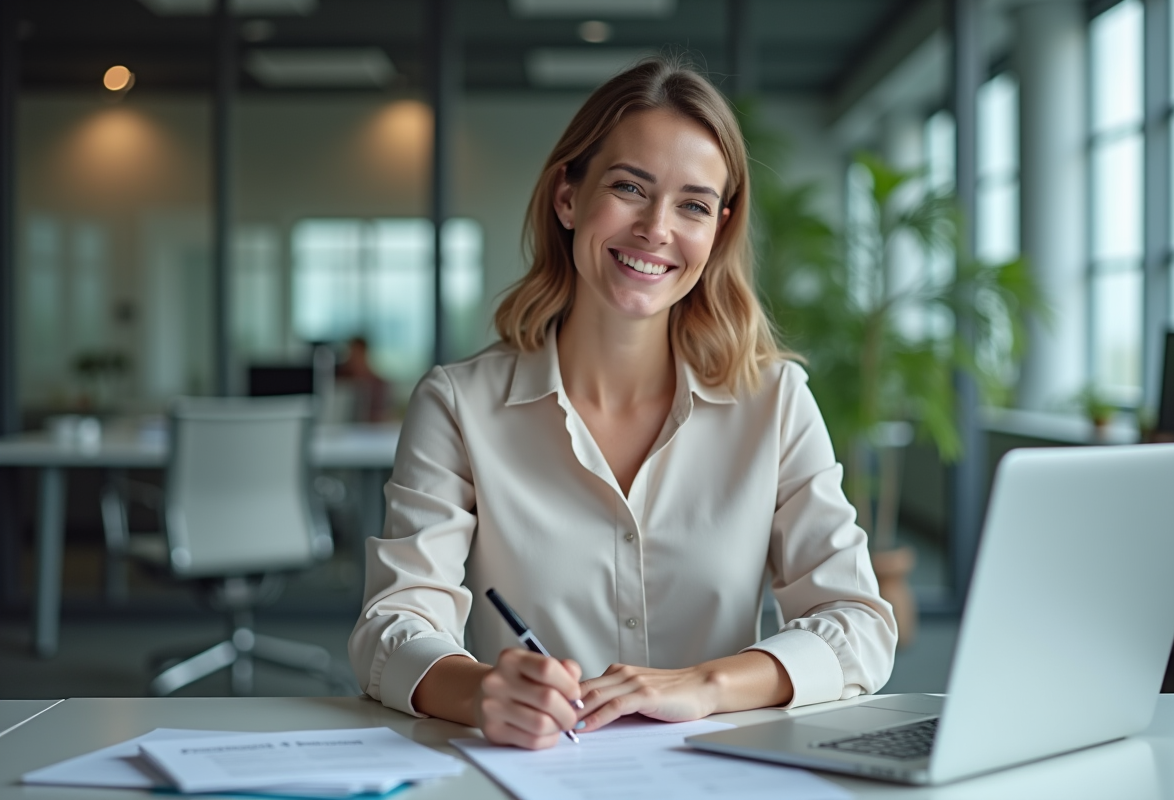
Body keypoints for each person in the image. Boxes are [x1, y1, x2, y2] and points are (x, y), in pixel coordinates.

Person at [348, 57, 897, 750]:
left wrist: (708, 684)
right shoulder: (458, 405)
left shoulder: (775, 402)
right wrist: (481, 692)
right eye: (630, 188)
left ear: (718, 230)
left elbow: (859, 624)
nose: (656, 228)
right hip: (534, 774)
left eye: (693, 205)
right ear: (568, 197)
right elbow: (393, 625)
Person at [335, 336, 391, 423]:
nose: (353, 359)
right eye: (351, 354)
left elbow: (383, 416)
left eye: (357, 354)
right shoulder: (341, 379)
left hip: (368, 428)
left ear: (364, 354)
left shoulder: (378, 383)